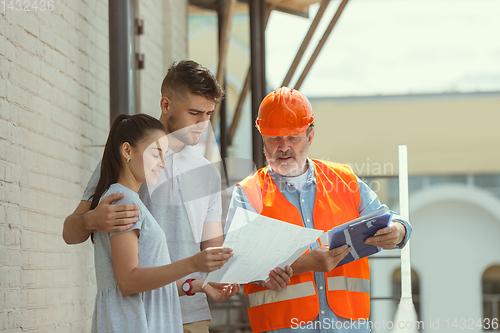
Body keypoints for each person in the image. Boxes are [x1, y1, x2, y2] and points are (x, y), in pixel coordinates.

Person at [62, 60, 289, 332]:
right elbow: (70, 233)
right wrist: (91, 221)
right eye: (194, 113)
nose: (203, 123)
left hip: (191, 311)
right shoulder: (134, 158)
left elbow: (213, 248)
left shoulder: (208, 173)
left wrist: (264, 269)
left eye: (208, 114)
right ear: (166, 105)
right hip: (140, 314)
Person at [226, 87, 413, 333]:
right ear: (263, 138)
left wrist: (398, 230)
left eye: (293, 137)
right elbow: (235, 259)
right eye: (274, 139)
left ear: (310, 136)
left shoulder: (344, 180)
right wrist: (303, 264)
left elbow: (390, 220)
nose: (283, 147)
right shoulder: (248, 193)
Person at [89, 113, 235, 332]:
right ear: (127, 151)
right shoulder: (123, 202)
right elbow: (128, 282)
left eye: (165, 155)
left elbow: (147, 283)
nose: (163, 164)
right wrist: (193, 264)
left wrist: (196, 285)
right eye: (157, 154)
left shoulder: (129, 200)